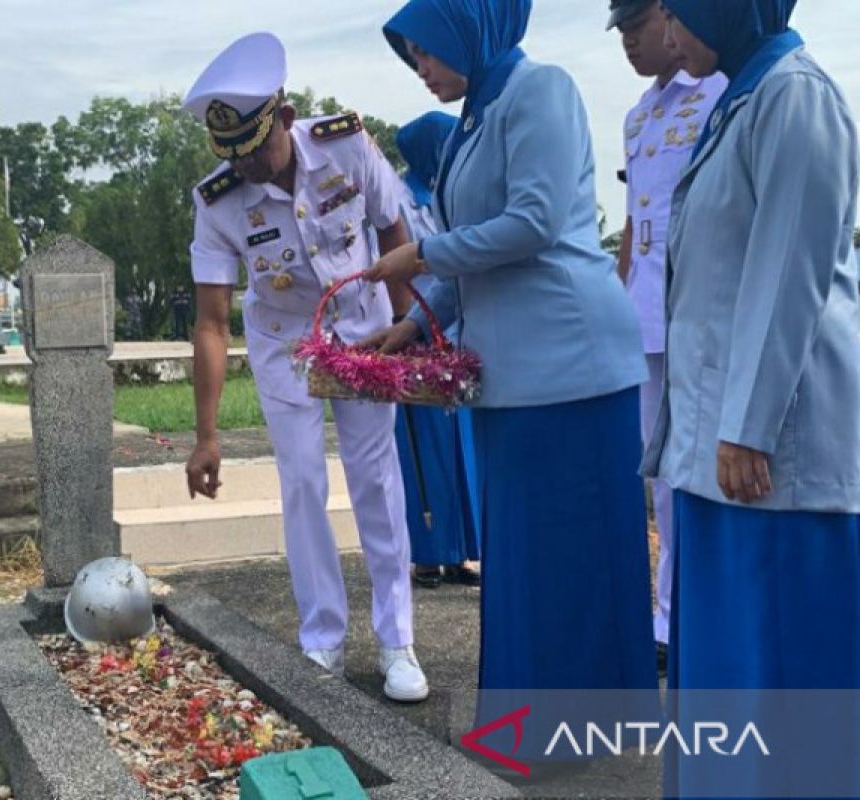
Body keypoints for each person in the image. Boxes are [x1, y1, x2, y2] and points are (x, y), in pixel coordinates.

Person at [367, 0, 658, 732]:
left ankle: (574, 726)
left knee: (569, 555)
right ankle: (539, 723)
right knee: (526, 559)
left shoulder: (541, 90)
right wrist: (411, 323)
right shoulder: (474, 119)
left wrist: (422, 254)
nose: (421, 69)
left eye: (426, 51)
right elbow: (476, 253)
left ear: (467, 31)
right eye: (412, 57)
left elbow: (533, 221)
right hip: (517, 373)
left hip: (571, 364)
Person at [648, 0, 859, 793]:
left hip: (771, 460)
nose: (668, 31)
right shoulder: (740, 98)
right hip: (722, 450)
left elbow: (787, 274)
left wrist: (749, 427)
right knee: (730, 680)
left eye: (679, 11)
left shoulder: (796, 97)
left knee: (778, 678)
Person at [182, 32, 429, 702]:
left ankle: (397, 641)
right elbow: (210, 321)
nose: (251, 168)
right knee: (301, 483)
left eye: (258, 148)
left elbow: (394, 232)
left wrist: (407, 332)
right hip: (284, 341)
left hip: (363, 330)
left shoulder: (347, 142)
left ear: (285, 119)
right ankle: (322, 639)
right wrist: (206, 436)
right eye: (234, 155)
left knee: (376, 478)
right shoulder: (218, 200)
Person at [608, 0, 726, 674]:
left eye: (635, 27)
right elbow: (633, 221)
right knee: (661, 475)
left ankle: (690, 610)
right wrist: (618, 301)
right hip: (647, 313)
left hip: (700, 307)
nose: (628, 43)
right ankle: (668, 612)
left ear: (668, 17)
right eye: (620, 32)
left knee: (704, 466)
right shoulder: (637, 116)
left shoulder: (717, 90)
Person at [391, 111, 480, 590]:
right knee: (424, 451)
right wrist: (410, 331)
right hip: (416, 332)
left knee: (460, 444)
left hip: (457, 329)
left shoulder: (450, 193)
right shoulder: (401, 201)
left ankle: (460, 552)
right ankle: (427, 553)